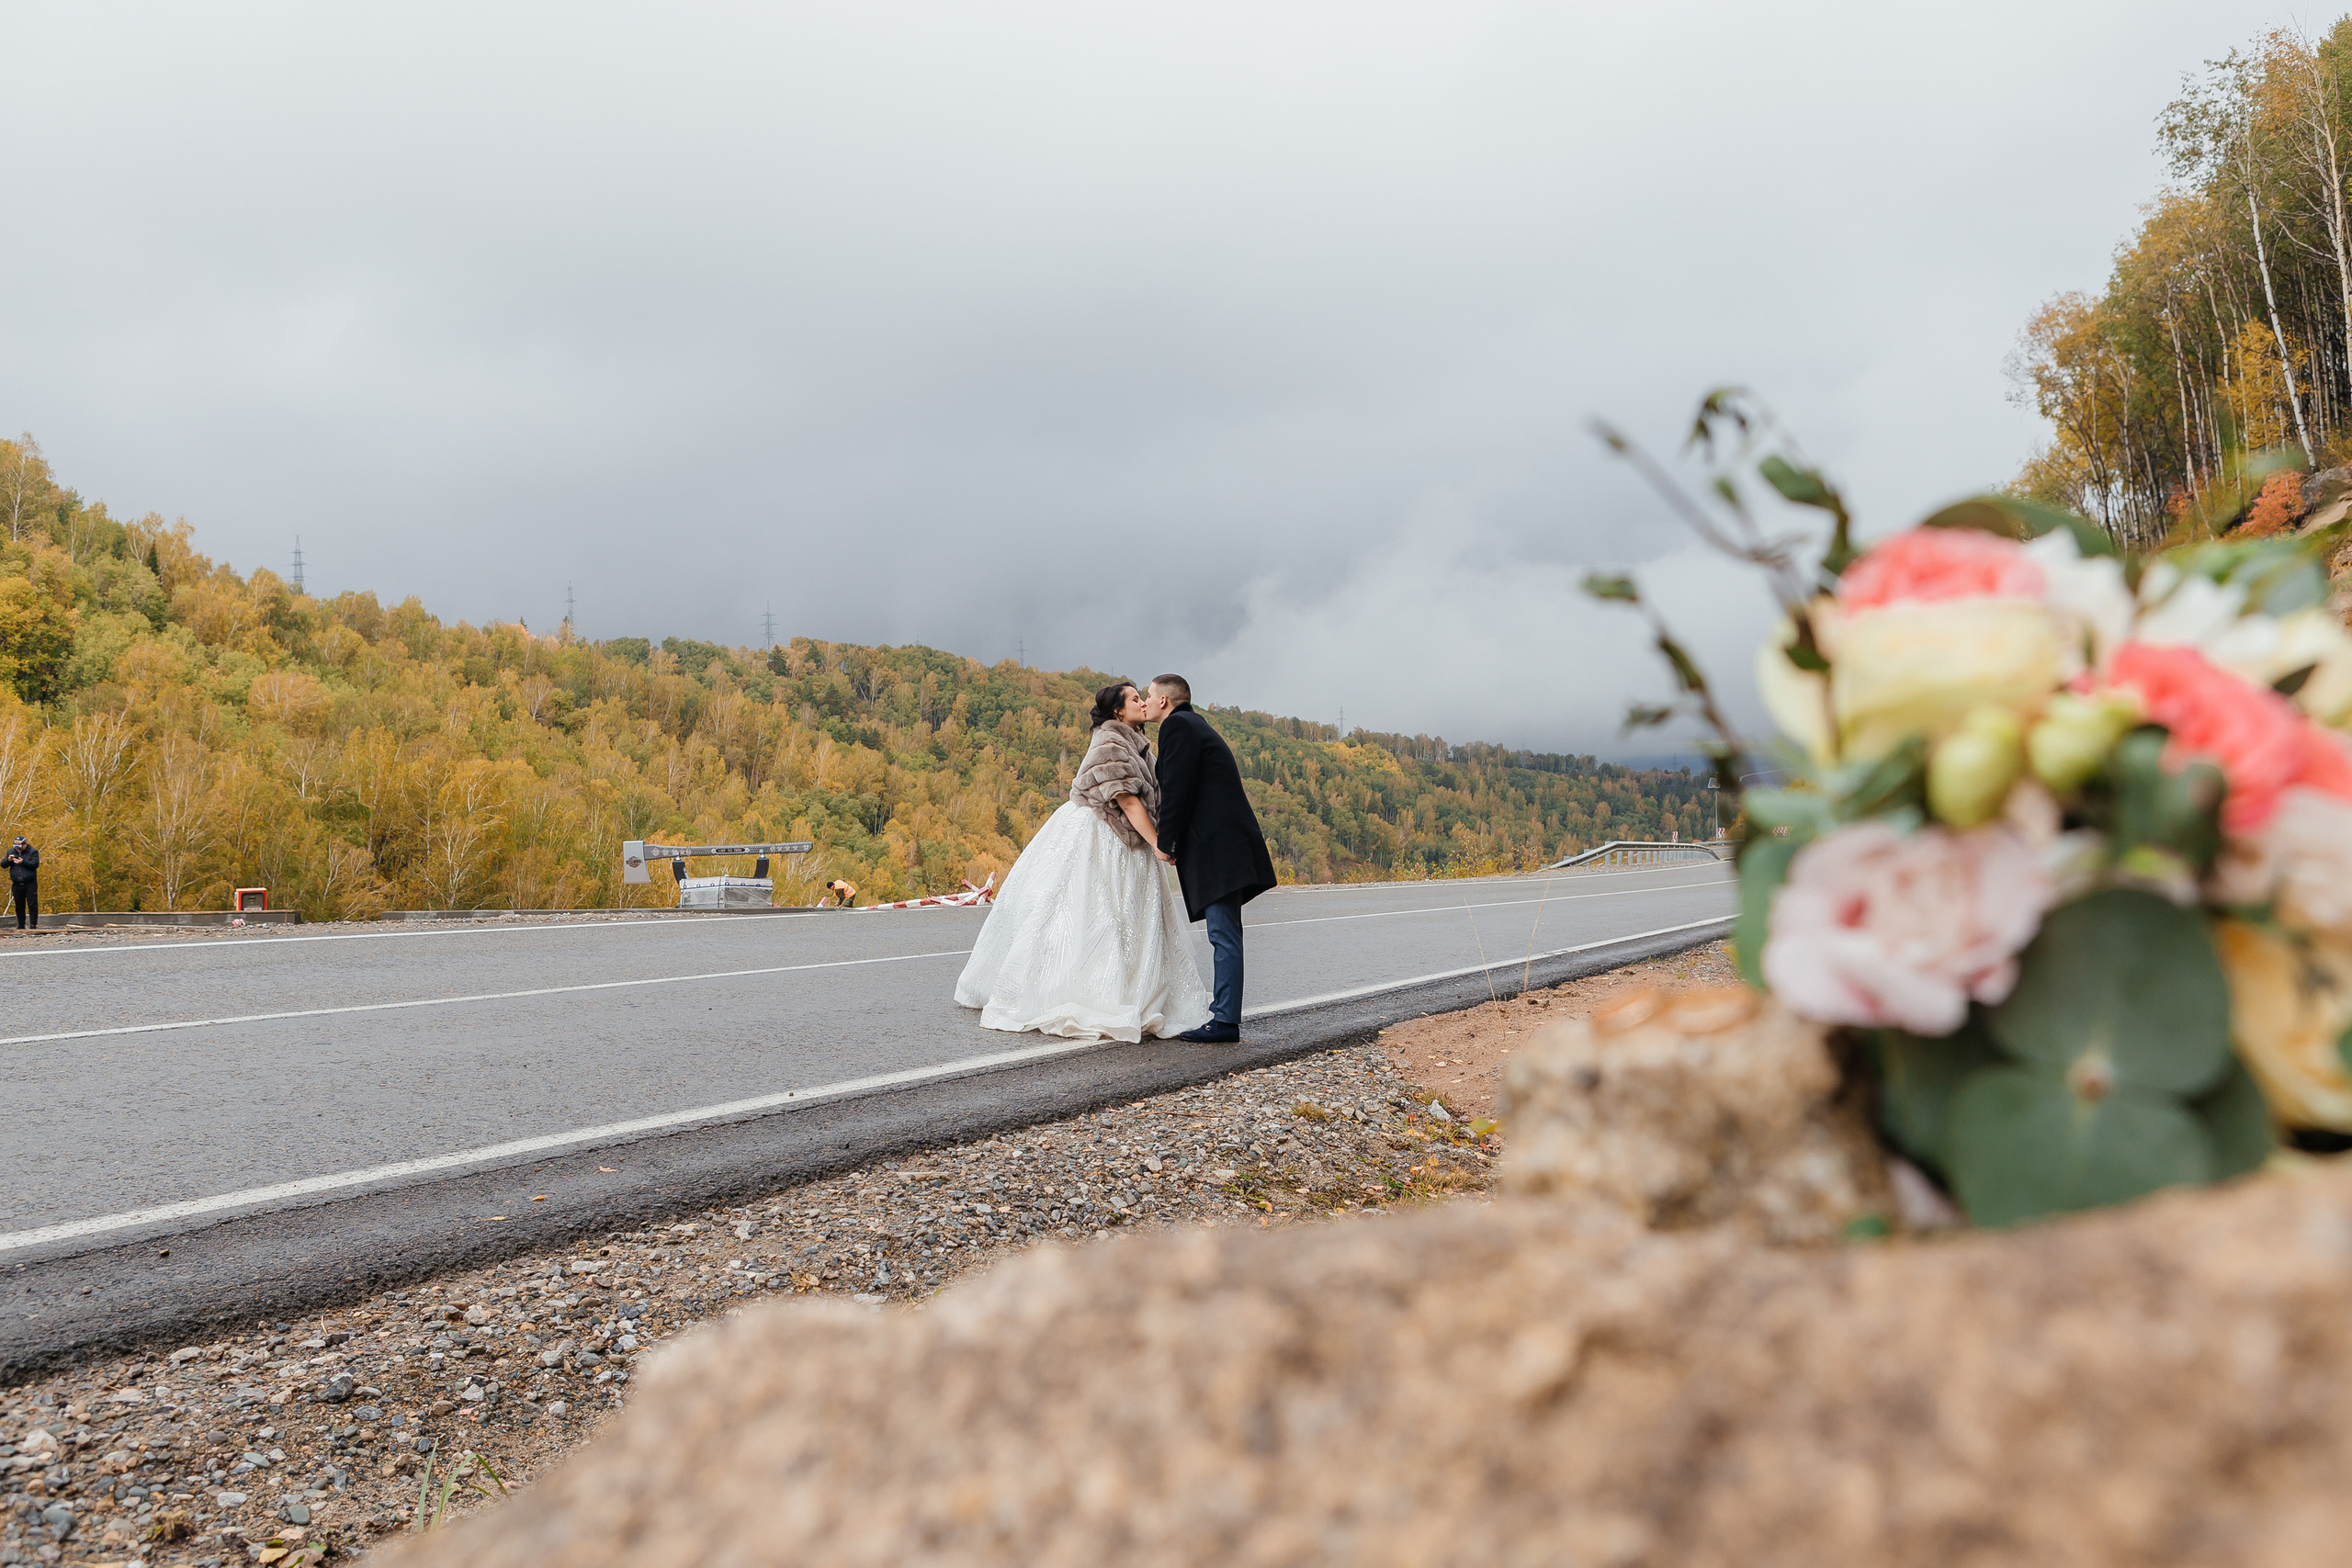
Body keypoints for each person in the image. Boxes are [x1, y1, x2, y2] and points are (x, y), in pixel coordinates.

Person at [955, 682, 1212, 1041]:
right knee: (1092, 913)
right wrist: (1157, 843)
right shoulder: (1111, 742)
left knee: (1123, 917)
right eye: (1135, 698)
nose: (1142, 702)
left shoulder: (1136, 744)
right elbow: (1127, 800)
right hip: (1102, 836)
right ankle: (1088, 990)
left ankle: (1125, 986)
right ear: (1119, 711)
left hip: (1127, 839)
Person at [1146, 674, 1275, 1043]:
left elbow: (1178, 790)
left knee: (1223, 934)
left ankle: (1224, 1023)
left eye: (1150, 695)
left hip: (1217, 851)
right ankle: (1225, 1017)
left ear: (1165, 701)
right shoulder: (1193, 724)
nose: (1147, 701)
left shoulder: (1177, 727)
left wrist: (1166, 842)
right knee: (1227, 933)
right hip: (1226, 846)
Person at [4, 836, 38, 931]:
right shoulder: (11, 851)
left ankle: (33, 925)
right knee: (19, 905)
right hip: (17, 884)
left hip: (30, 883)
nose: (18, 848)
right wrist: (8, 860)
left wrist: (23, 862)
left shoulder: (33, 852)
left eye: (20, 846)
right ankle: (21, 925)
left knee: (32, 904)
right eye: (16, 846)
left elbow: (35, 864)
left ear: (25, 844)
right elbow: (3, 865)